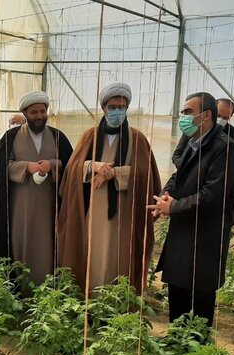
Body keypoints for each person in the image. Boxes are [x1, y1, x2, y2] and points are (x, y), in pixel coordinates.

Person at [58, 83, 161, 294]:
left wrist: (115, 173)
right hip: (92, 209)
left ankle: (116, 300)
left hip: (123, 212)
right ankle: (90, 296)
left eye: (121, 107)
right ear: (104, 108)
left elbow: (145, 174)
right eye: (112, 107)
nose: (117, 111)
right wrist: (93, 166)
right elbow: (72, 169)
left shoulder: (137, 138)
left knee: (118, 254)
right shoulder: (90, 135)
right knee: (92, 251)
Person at [150, 92, 234, 326]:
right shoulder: (192, 143)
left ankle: (196, 354)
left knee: (200, 298)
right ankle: (175, 348)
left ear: (206, 116)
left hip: (205, 235)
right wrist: (165, 197)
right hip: (184, 229)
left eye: (188, 112)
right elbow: (179, 175)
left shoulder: (225, 148)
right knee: (178, 292)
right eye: (183, 112)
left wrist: (175, 207)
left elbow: (213, 195)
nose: (183, 117)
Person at [0, 90, 73, 286]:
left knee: (47, 244)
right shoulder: (11, 137)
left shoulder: (59, 137)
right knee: (20, 243)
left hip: (50, 206)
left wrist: (53, 165)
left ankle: (47, 287)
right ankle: (21, 286)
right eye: (34, 112)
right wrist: (26, 166)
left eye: (43, 111)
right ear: (25, 113)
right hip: (20, 207)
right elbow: (0, 168)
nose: (39, 116)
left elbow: (70, 166)